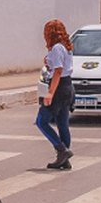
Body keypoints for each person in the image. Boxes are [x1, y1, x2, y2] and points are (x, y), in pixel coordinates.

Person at [37, 19, 74, 169]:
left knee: (41, 121)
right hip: (67, 86)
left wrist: (50, 93)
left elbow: (58, 71)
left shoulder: (58, 48)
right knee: (62, 124)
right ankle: (64, 160)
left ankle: (61, 150)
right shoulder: (64, 47)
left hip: (59, 87)